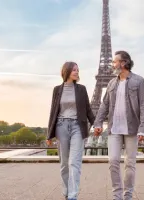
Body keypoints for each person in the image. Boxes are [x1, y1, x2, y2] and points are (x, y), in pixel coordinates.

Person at [93, 50, 144, 200]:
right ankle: (117, 195)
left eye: (115, 61)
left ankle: (128, 195)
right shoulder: (111, 82)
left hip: (132, 128)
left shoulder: (139, 81)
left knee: (130, 164)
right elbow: (104, 105)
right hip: (114, 129)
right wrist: (98, 123)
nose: (112, 64)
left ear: (123, 63)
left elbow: (143, 105)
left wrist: (143, 129)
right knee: (113, 161)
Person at [46, 61, 95, 200]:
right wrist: (49, 134)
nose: (76, 72)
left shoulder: (81, 89)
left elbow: (88, 109)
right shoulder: (57, 89)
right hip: (61, 126)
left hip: (77, 127)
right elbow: (53, 112)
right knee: (64, 164)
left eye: (78, 70)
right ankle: (67, 192)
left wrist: (96, 123)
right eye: (74, 70)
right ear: (66, 71)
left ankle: (73, 195)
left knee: (74, 162)